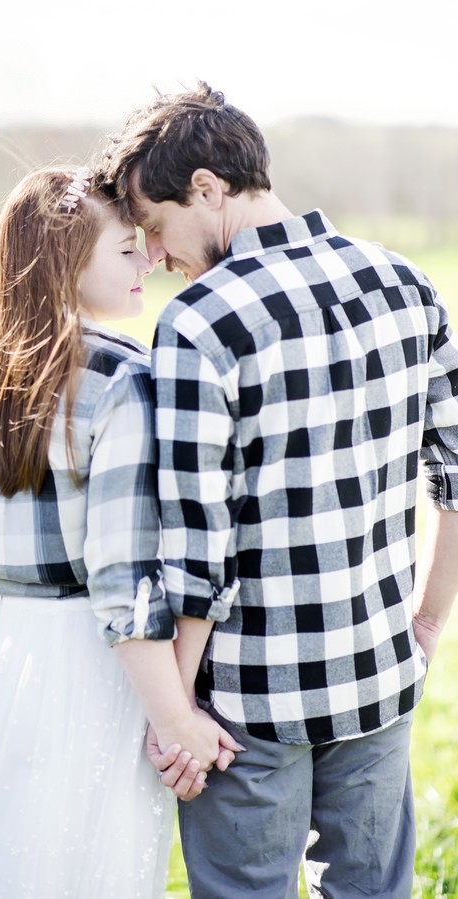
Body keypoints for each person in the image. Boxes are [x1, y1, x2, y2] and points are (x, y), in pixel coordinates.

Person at [97, 82, 458, 897]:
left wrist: (179, 718)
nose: (156, 257)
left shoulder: (200, 322)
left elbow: (198, 549)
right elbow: (457, 476)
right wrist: (427, 620)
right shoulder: (407, 283)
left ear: (207, 189)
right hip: (380, 676)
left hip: (247, 702)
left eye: (154, 228)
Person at [0, 166, 241, 899]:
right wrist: (174, 719)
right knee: (57, 862)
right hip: (72, 649)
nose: (148, 262)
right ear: (67, 263)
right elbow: (119, 573)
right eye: (125, 250)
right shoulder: (124, 381)